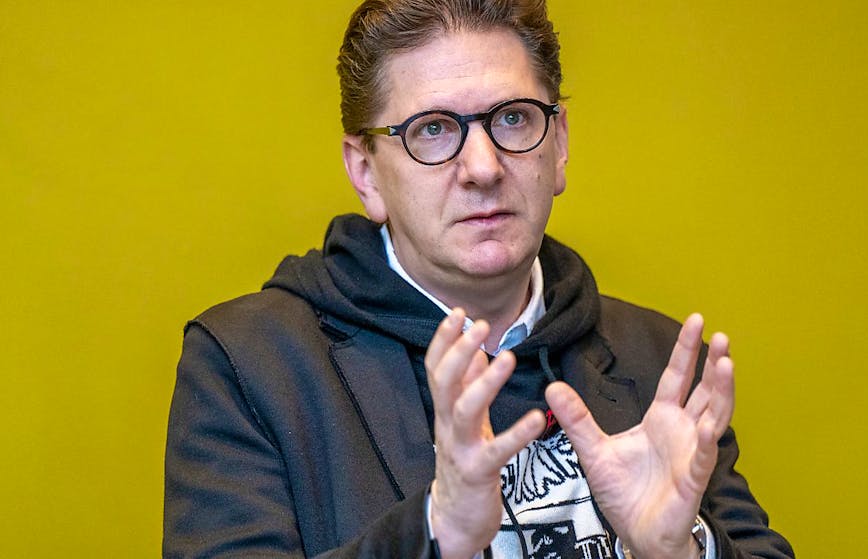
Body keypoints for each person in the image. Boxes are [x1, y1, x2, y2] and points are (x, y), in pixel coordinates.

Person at [163, 1, 795, 558]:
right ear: (366, 172)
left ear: (561, 144)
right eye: (432, 130)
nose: (483, 167)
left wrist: (680, 553)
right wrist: (436, 532)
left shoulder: (660, 361)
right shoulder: (248, 364)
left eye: (514, 118)